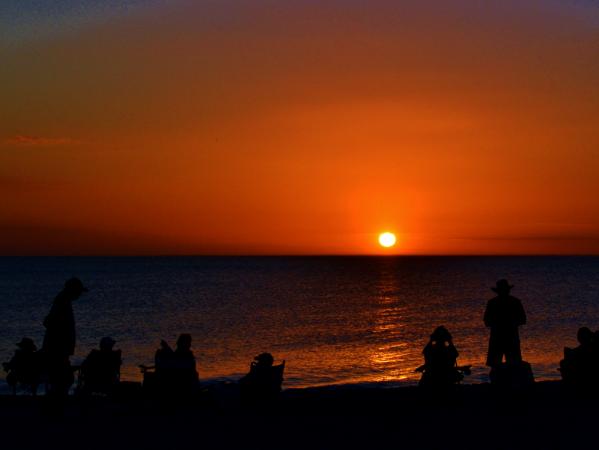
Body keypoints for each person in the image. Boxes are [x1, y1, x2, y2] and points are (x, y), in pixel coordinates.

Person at [41, 277, 88, 396]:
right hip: (57, 349)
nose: (79, 295)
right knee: (63, 378)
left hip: (60, 348)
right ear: (73, 290)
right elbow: (48, 322)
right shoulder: (61, 302)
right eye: (78, 292)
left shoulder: (63, 301)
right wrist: (60, 335)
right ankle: (56, 403)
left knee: (62, 379)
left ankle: (56, 401)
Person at [483, 279, 526, 367]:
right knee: (514, 364)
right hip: (511, 337)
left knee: (496, 365)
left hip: (497, 337)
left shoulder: (492, 303)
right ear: (508, 290)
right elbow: (523, 319)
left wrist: (497, 324)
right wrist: (512, 324)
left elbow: (487, 321)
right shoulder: (515, 302)